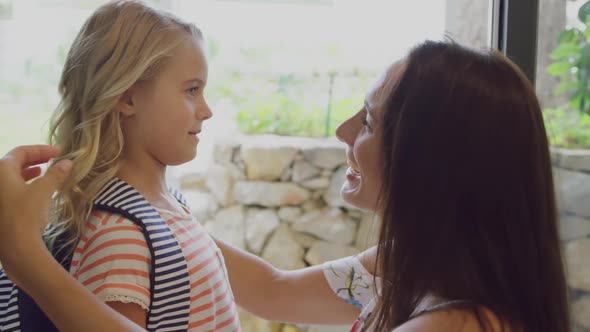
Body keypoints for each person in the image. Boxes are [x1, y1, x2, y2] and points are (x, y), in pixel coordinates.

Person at [0, 3, 570, 332]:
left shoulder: (448, 324)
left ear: (431, 163)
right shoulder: (407, 270)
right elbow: (272, 289)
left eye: (368, 121)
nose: (342, 132)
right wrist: (156, 210)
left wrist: (25, 257)